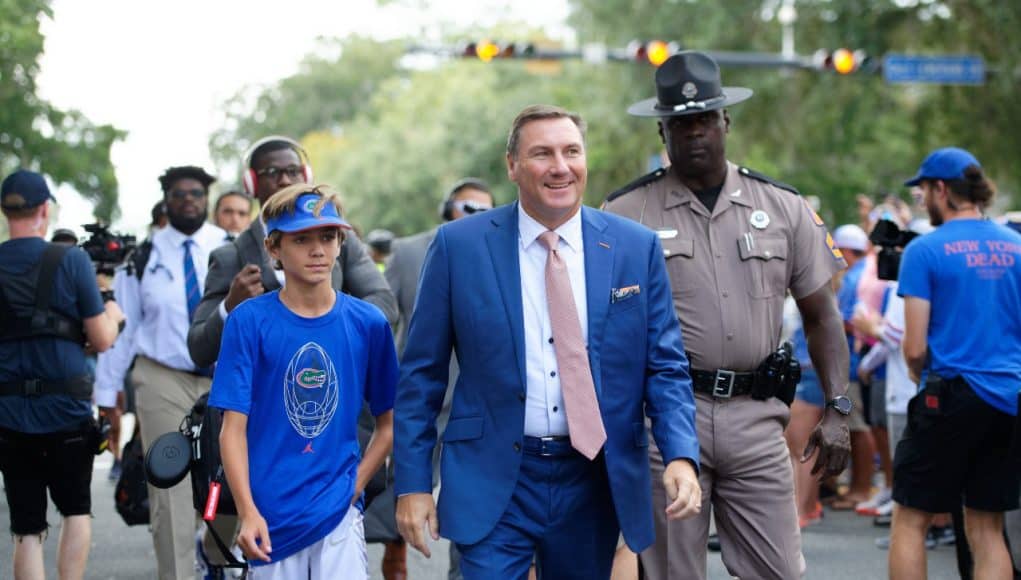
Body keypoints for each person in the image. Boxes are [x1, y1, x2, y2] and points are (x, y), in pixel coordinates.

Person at [394, 104, 701, 579]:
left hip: (594, 479)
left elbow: (665, 367)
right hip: (493, 475)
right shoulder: (459, 246)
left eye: (571, 151)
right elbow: (421, 377)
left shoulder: (633, 248)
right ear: (512, 165)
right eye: (542, 154)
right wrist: (412, 484)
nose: (560, 166)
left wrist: (680, 454)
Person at [603, 51, 851, 579]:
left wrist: (838, 407)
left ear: (725, 123)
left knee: (779, 570)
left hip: (756, 420)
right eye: (680, 124)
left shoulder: (782, 205)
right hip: (666, 421)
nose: (695, 133)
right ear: (662, 134)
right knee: (672, 573)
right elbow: (600, 330)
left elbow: (822, 314)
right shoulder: (624, 214)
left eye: (704, 120)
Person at [212, 184, 396, 579]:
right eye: (301, 239)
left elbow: (389, 424)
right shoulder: (249, 321)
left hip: (338, 518)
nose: (318, 250)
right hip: (269, 519)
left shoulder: (368, 323)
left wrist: (354, 488)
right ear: (273, 249)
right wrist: (246, 511)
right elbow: (232, 430)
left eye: (328, 237)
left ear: (341, 242)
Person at [890, 147, 1021, 580]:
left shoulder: (925, 251)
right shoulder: (1017, 247)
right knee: (986, 525)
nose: (922, 199)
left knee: (911, 517)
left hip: (948, 395)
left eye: (924, 189)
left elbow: (913, 345)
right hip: (1008, 398)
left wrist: (917, 373)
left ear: (941, 189)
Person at [93, 166, 230, 580]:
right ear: (166, 201)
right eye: (178, 193)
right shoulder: (143, 257)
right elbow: (125, 329)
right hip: (162, 377)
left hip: (222, 376)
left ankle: (216, 557)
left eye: (195, 192)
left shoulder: (228, 248)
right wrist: (105, 395)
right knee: (169, 489)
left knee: (228, 484)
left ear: (206, 199)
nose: (188, 198)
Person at [0, 169, 124, 580]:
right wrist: (113, 312)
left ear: (5, 211)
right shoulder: (70, 260)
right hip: (66, 410)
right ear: (44, 210)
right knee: (75, 511)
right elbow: (102, 339)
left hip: (10, 414)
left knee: (27, 529)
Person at [187, 135, 397, 369]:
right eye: (272, 172)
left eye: (293, 171)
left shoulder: (341, 240)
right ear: (252, 184)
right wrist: (229, 307)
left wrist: (329, 328)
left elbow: (384, 302)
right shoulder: (230, 257)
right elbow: (199, 350)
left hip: (340, 384)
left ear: (306, 176)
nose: (285, 180)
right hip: (261, 397)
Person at [386, 177, 494, 580]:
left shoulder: (501, 250)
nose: (476, 217)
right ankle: (395, 555)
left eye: (485, 210)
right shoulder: (408, 251)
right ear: (448, 207)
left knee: (471, 510)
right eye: (468, 208)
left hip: (475, 406)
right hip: (422, 398)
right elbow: (386, 321)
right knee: (409, 489)